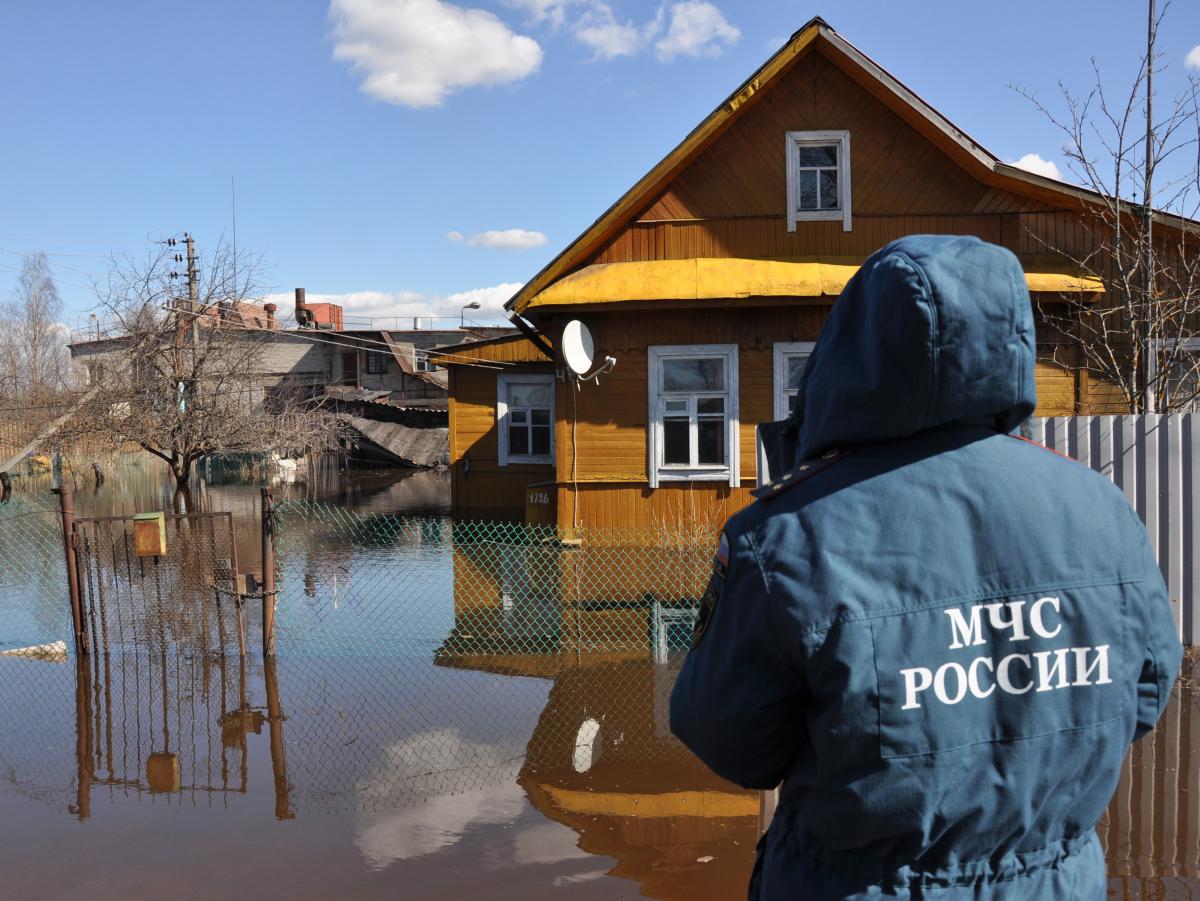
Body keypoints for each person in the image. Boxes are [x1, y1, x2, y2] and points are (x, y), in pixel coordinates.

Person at [670, 234, 1183, 900]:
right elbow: (1145, 698)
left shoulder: (786, 535)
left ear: (855, 351)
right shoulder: (1102, 509)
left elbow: (732, 741)